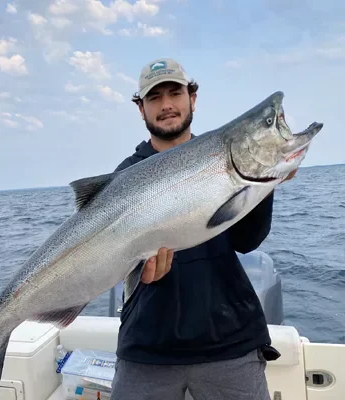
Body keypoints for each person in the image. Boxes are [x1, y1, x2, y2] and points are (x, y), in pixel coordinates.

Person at [110, 58, 296, 400]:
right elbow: (112, 258)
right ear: (141, 109)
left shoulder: (224, 152)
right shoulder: (124, 176)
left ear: (192, 98)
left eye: (174, 93)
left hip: (230, 344)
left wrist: (263, 182)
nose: (166, 105)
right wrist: (139, 267)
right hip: (147, 350)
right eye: (154, 98)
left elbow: (246, 241)